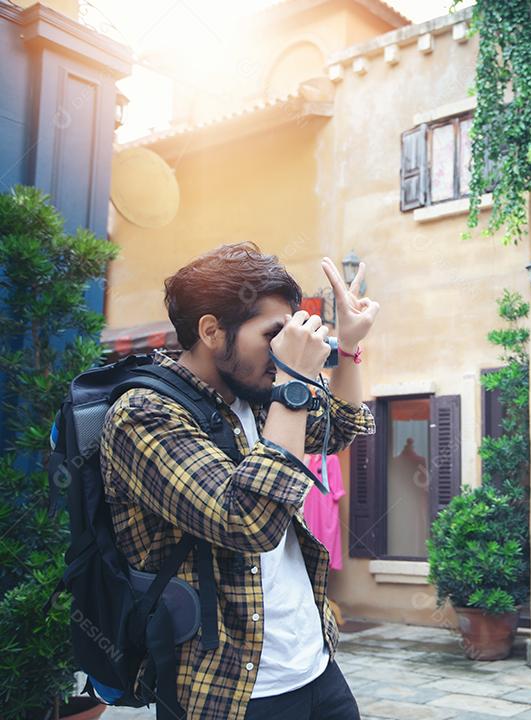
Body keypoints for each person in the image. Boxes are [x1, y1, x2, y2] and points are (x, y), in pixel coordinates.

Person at [100, 243, 378, 720]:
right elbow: (249, 523)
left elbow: (339, 427)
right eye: (273, 333)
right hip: (227, 693)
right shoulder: (143, 416)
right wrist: (292, 378)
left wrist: (348, 347)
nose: (282, 347)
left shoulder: (255, 399)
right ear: (211, 330)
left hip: (315, 666)